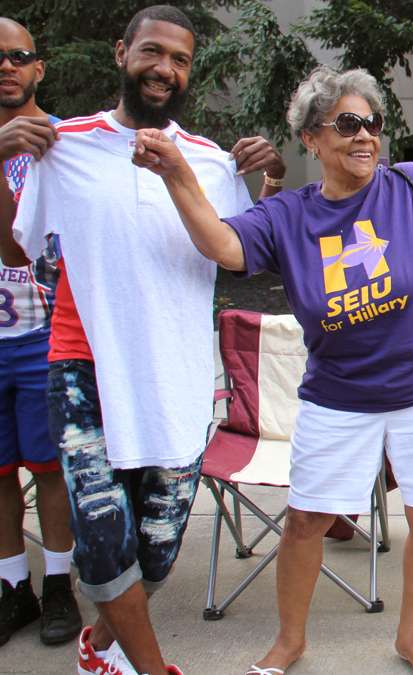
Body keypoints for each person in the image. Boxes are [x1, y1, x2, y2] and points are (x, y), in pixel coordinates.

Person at [134, 62, 413, 675]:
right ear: (312, 138)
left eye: (373, 122)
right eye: (348, 123)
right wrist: (178, 175)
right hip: (337, 397)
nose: (365, 135)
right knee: (306, 521)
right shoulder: (288, 216)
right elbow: (221, 244)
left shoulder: (412, 184)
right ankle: (289, 641)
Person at [0, 6, 286, 674]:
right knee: (101, 539)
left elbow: (247, 257)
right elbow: (19, 249)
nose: (164, 69)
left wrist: (268, 182)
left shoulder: (213, 164)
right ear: (122, 53)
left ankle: (100, 645)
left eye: (180, 60)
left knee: (155, 550)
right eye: (152, 52)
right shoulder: (63, 145)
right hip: (84, 368)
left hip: (178, 378)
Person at [0, 16, 82, 649]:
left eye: (18, 56)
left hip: (41, 332)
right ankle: (12, 588)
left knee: (50, 468)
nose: (6, 67)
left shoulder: (62, 144)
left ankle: (58, 583)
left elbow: (22, 249)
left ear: (37, 68)